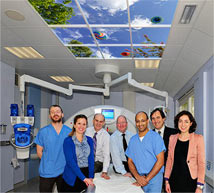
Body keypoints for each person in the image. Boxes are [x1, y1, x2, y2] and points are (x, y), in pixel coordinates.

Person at [164, 110, 205, 193]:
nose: (183, 125)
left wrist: (199, 186)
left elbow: (201, 163)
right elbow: (169, 160)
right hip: (174, 181)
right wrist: (166, 181)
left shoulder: (198, 138)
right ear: (177, 123)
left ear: (191, 123)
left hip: (190, 182)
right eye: (180, 121)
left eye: (186, 122)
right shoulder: (172, 138)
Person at [35, 105, 72, 192]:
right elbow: (39, 152)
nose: (55, 114)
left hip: (64, 171)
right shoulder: (43, 132)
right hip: (47, 171)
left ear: (62, 114)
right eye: (52, 112)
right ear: (50, 116)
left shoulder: (69, 132)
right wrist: (48, 162)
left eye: (58, 111)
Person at [126, 111, 166, 193]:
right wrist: (138, 177)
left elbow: (161, 161)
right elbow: (130, 161)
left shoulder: (156, 138)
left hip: (154, 178)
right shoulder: (133, 140)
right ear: (135, 123)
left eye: (143, 120)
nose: (140, 124)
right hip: (139, 178)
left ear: (147, 121)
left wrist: (146, 179)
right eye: (138, 121)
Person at [61, 114, 94, 192]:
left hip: (86, 174)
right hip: (73, 175)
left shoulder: (89, 140)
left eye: (84, 124)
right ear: (74, 125)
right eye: (79, 123)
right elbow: (70, 162)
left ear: (86, 126)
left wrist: (91, 176)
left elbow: (91, 159)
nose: (81, 126)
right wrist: (84, 178)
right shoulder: (68, 141)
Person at [85, 113, 111, 180]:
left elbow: (106, 155)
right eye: (96, 120)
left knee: (88, 170)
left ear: (104, 123)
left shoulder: (106, 136)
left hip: (98, 162)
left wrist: (104, 171)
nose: (98, 123)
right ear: (93, 121)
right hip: (86, 160)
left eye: (101, 121)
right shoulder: (86, 131)